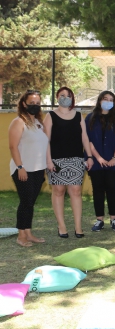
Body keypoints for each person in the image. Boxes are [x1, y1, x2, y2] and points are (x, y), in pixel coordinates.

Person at [44, 86, 93, 239]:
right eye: (62, 95)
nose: (65, 97)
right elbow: (45, 141)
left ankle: (78, 227)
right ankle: (62, 226)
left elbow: (85, 137)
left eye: (68, 95)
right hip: (56, 161)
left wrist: (89, 156)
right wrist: (48, 161)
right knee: (58, 191)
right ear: (57, 97)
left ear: (72, 98)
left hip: (76, 159)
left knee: (76, 191)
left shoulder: (79, 116)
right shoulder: (50, 116)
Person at [8, 90, 49, 247]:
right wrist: (20, 167)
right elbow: (13, 146)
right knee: (25, 202)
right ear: (24, 104)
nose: (35, 106)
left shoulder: (38, 123)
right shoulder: (18, 122)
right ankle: (21, 236)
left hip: (38, 170)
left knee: (30, 202)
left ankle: (28, 233)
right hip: (23, 169)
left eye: (37, 103)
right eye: (31, 103)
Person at [85, 91, 115, 232]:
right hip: (95, 162)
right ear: (100, 100)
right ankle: (99, 220)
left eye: (111, 99)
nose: (108, 101)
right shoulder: (90, 118)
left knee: (112, 189)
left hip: (113, 162)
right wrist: (98, 158)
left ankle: (114, 219)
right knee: (98, 190)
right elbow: (87, 140)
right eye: (105, 99)